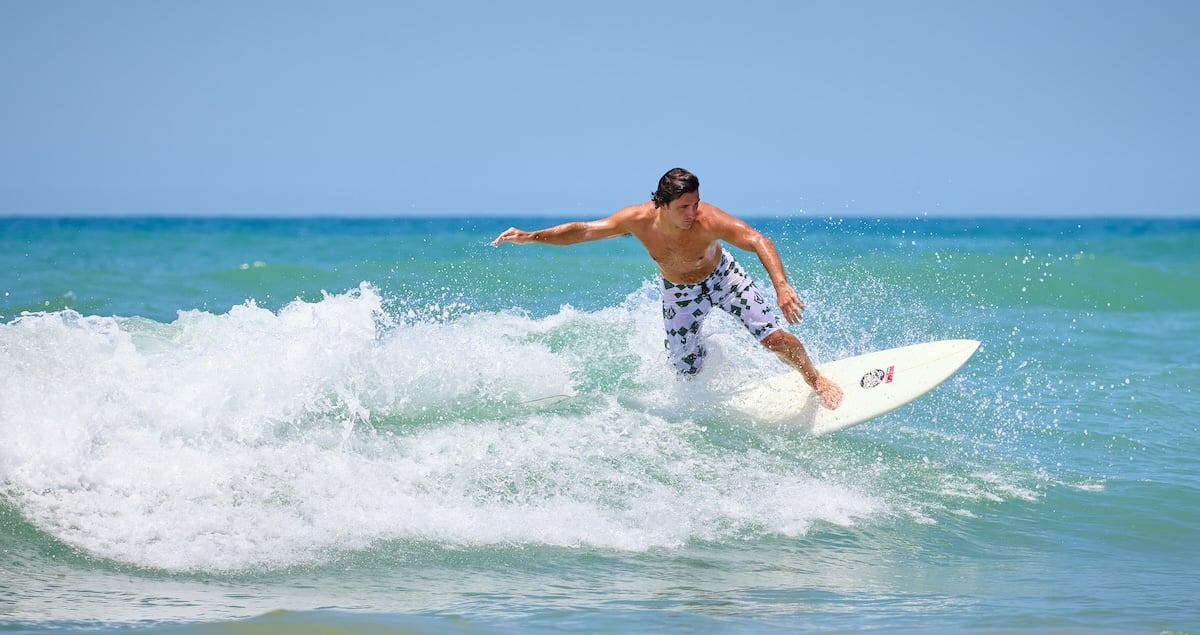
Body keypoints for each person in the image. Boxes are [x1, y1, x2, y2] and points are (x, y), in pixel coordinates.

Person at [491, 168, 843, 410]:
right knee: (686, 369)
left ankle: (815, 379)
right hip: (679, 293)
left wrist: (781, 286)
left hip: (723, 278)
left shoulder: (708, 220)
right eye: (683, 207)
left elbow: (756, 239)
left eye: (695, 203)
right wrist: (529, 237)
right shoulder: (637, 220)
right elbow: (583, 231)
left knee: (775, 339)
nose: (693, 213)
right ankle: (718, 387)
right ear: (661, 204)